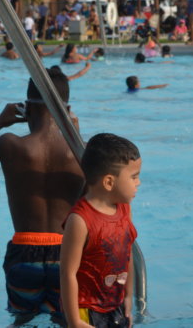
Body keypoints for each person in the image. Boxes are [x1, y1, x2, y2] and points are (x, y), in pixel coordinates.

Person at [0, 67, 84, 320]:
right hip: (68, 253)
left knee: (22, 320)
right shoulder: (83, 152)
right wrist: (75, 135)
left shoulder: (9, 143)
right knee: (68, 321)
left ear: (27, 110)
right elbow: (93, 200)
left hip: (24, 253)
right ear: (67, 111)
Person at [60, 133, 140, 328]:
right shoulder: (80, 220)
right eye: (134, 177)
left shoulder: (123, 208)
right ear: (109, 182)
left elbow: (126, 252)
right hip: (86, 310)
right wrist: (74, 322)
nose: (138, 183)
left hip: (116, 303)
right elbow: (67, 273)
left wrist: (129, 296)